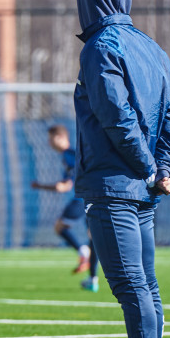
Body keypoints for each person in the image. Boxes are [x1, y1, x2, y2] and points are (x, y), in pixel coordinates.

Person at [73, 0, 170, 338]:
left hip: (115, 185)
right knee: (148, 288)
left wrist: (146, 167)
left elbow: (117, 116)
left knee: (132, 286)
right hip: (145, 189)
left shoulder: (100, 47)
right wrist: (164, 168)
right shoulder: (153, 48)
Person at [31, 124, 100, 292]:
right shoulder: (67, 156)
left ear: (61, 138)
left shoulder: (70, 155)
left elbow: (65, 186)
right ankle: (93, 279)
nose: (49, 143)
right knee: (93, 237)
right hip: (90, 196)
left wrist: (40, 186)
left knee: (60, 227)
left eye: (51, 138)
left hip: (83, 198)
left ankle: (83, 252)